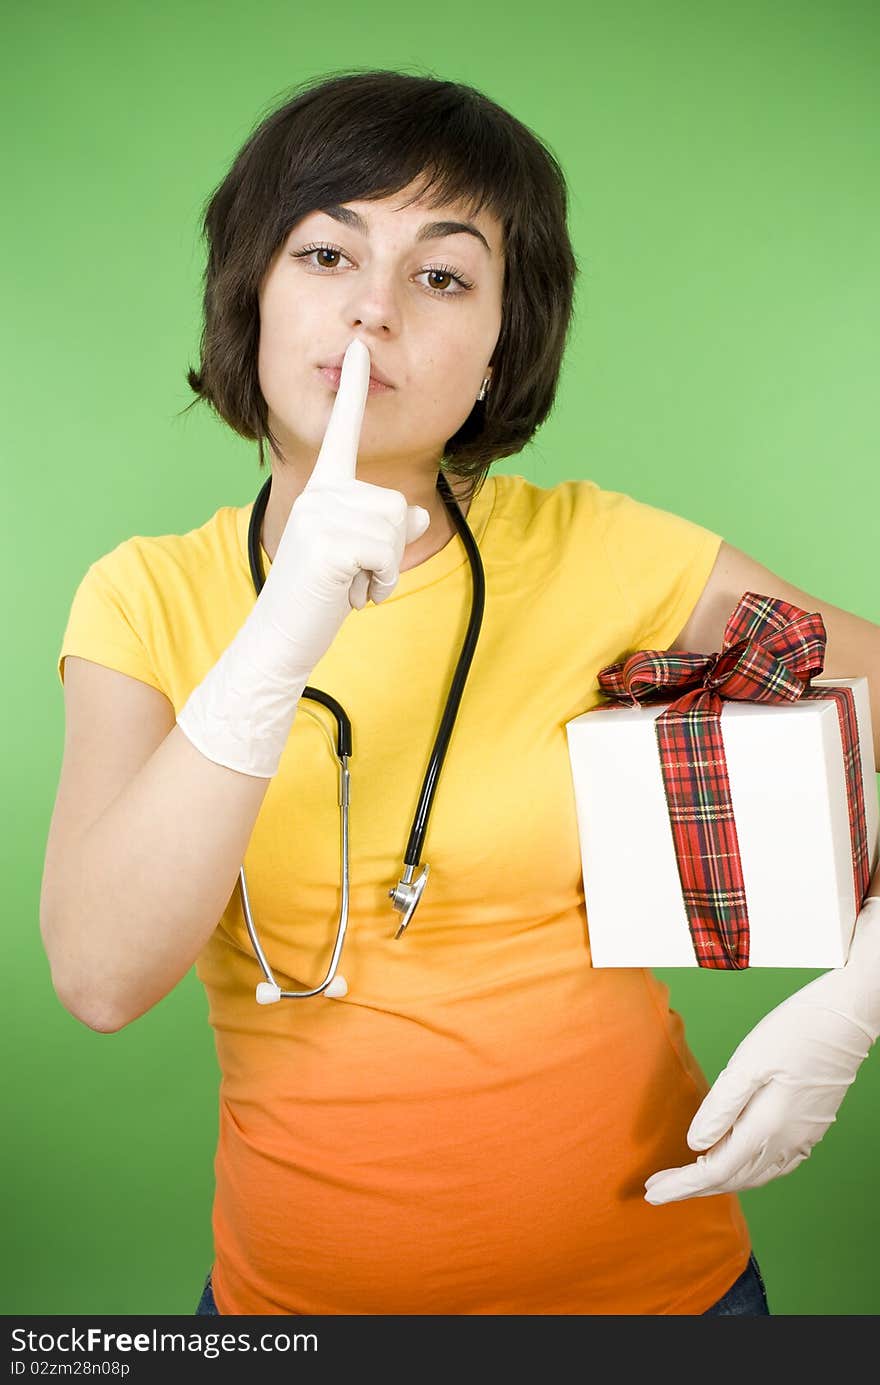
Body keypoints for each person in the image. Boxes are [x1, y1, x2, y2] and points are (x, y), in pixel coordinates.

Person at [45, 64, 856, 1316]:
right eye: (325, 256)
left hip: (660, 1300)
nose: (372, 314)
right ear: (247, 294)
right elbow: (100, 975)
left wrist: (861, 996)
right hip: (291, 1314)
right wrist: (278, 638)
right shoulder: (144, 597)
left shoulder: (603, 550)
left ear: (497, 347)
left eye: (440, 275)